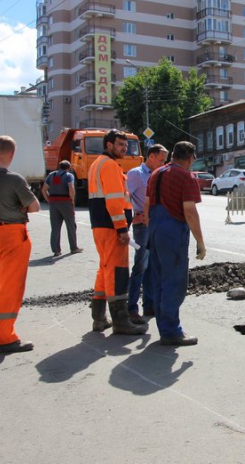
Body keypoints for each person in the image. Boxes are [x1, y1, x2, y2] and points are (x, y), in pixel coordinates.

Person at [0, 135, 41, 354]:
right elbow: (34, 207)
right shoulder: (14, 179)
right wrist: (21, 208)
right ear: (12, 154)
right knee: (10, 286)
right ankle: (6, 337)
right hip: (12, 233)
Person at [146, 141, 206, 346]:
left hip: (154, 231)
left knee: (159, 281)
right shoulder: (185, 176)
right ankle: (172, 332)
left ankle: (165, 328)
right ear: (190, 158)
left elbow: (147, 206)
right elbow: (189, 211)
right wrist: (200, 241)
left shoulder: (155, 174)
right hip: (172, 233)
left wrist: (151, 230)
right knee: (174, 283)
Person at [88, 130, 147, 335]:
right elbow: (114, 201)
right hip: (111, 228)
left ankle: (99, 319)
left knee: (105, 269)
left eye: (125, 145)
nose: (124, 148)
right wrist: (122, 228)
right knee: (117, 272)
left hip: (101, 226)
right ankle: (121, 321)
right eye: (120, 144)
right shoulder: (110, 166)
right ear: (108, 145)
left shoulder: (98, 163)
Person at [125, 143, 168, 324]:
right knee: (141, 266)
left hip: (156, 223)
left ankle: (149, 305)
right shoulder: (136, 174)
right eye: (161, 159)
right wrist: (132, 217)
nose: (163, 163)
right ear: (151, 156)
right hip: (142, 226)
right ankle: (131, 308)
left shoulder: (159, 174)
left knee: (152, 267)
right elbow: (125, 197)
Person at [42, 159, 82, 257]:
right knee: (71, 225)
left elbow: (44, 189)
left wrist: (48, 199)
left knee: (55, 226)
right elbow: (71, 188)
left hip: (53, 202)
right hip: (65, 202)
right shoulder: (69, 176)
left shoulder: (51, 175)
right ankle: (73, 248)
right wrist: (72, 200)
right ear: (68, 168)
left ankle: (56, 250)